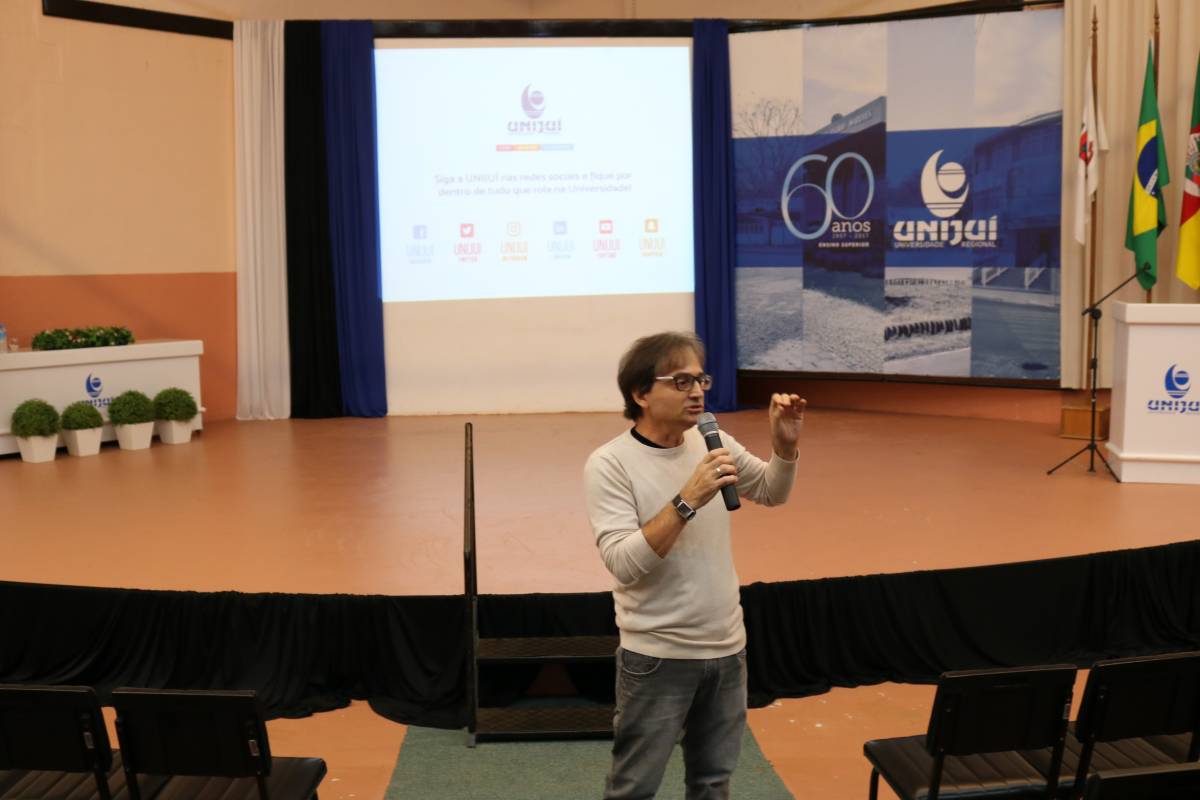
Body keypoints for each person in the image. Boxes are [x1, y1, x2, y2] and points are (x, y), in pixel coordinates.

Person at [583, 331, 804, 800]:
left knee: (713, 784)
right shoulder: (610, 464)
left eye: (701, 379)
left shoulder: (712, 441)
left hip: (727, 649)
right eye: (681, 382)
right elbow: (623, 563)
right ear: (641, 394)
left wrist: (784, 448)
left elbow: (771, 491)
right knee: (633, 788)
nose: (698, 392)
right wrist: (687, 499)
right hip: (657, 656)